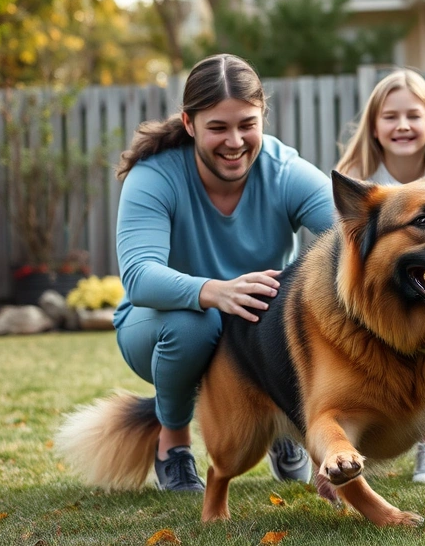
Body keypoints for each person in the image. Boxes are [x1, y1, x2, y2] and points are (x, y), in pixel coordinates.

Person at [113, 54, 335, 492]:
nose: (234, 141)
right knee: (195, 322)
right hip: (161, 326)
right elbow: (139, 276)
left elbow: (354, 234)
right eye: (217, 127)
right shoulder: (155, 176)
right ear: (189, 123)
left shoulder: (283, 170)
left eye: (247, 124)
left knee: (306, 300)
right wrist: (214, 291)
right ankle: (173, 441)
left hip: (256, 332)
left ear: (262, 118)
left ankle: (282, 421)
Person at [335, 68, 425, 483]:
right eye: (390, 116)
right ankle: (348, 439)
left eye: (413, 115)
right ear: (374, 125)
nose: (403, 125)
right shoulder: (361, 180)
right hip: (384, 300)